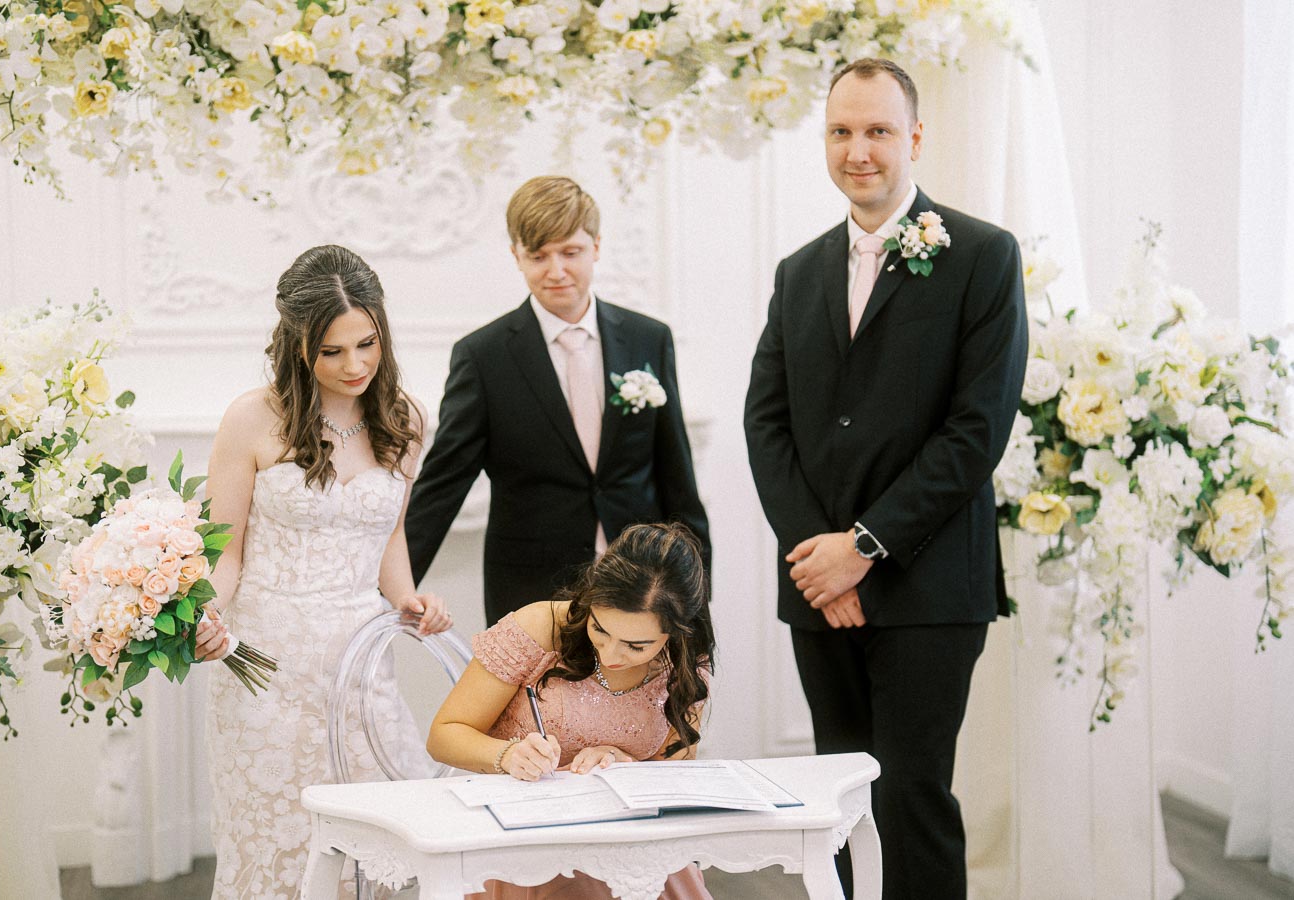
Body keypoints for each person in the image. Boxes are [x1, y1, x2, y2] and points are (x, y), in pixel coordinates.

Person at [743, 59, 1028, 899]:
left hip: (930, 585)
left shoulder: (983, 256)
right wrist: (820, 557)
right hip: (818, 587)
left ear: (915, 138)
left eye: (876, 131)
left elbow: (976, 432)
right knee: (837, 803)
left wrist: (862, 548)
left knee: (910, 798)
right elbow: (767, 424)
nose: (857, 150)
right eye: (840, 131)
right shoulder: (798, 272)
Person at [195, 244, 453, 899]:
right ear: (296, 343)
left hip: (361, 662)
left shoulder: (404, 418)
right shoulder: (251, 418)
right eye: (332, 351)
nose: (355, 365)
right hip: (265, 668)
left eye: (367, 344)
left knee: (377, 842)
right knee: (275, 841)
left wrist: (409, 598)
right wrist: (206, 611)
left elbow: (387, 534)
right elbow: (225, 550)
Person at [404, 176, 710, 626]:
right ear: (516, 255)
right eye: (538, 256)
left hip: (644, 585)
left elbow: (677, 476)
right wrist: (390, 590)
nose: (556, 271)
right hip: (531, 592)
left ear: (596, 247)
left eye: (570, 252)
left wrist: (696, 598)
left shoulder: (649, 338)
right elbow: (443, 484)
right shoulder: (482, 357)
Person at [427, 522, 714, 900]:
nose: (611, 655)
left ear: (676, 632)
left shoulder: (685, 665)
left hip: (628, 840)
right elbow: (444, 734)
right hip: (526, 837)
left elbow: (675, 776)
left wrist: (623, 761)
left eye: (636, 646)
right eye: (600, 629)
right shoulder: (539, 627)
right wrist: (508, 755)